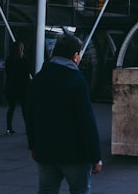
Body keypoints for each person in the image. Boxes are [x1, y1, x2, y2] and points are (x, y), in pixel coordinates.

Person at [26, 33, 102, 194]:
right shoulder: (76, 80)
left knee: (47, 190)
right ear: (75, 56)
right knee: (80, 189)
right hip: (74, 154)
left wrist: (32, 144)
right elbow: (86, 120)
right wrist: (95, 155)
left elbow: (30, 114)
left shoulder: (39, 79)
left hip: (45, 151)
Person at [4, 41, 32, 135]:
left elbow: (8, 73)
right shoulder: (23, 60)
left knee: (11, 108)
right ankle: (28, 128)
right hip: (22, 88)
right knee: (24, 109)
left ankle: (9, 128)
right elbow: (27, 72)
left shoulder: (9, 60)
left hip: (12, 87)